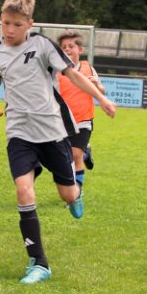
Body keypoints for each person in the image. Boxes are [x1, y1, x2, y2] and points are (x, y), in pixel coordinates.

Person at [0, 0, 116, 284]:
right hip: (19, 133)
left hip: (53, 133)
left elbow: (73, 74)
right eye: (5, 23)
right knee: (23, 190)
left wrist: (100, 100)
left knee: (67, 193)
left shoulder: (42, 45)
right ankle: (39, 263)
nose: (10, 30)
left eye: (17, 24)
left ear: (30, 23)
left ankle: (75, 191)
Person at [56, 30, 106, 186]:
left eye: (71, 46)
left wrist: (97, 85)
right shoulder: (55, 70)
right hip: (61, 121)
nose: (67, 49)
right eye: (63, 47)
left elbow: (102, 91)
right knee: (64, 159)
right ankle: (86, 152)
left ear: (80, 49)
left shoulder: (87, 68)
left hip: (82, 120)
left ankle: (76, 193)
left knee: (74, 155)